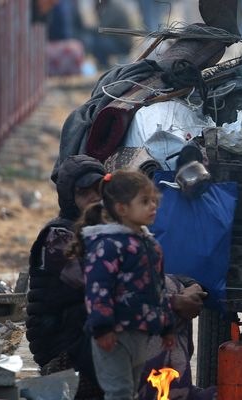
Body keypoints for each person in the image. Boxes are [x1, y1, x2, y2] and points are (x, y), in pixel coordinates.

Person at [69, 171, 206, 400]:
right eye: (145, 201)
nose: (153, 206)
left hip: (140, 333)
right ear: (122, 208)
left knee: (131, 390)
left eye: (154, 200)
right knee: (119, 392)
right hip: (114, 333)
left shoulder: (149, 244)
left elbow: (157, 289)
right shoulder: (108, 245)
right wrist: (102, 328)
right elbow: (98, 289)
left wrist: (166, 326)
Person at [26, 155, 106, 399]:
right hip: (61, 344)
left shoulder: (101, 229)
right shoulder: (58, 236)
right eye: (85, 192)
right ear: (70, 197)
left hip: (78, 335)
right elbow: (95, 283)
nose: (94, 198)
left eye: (99, 190)